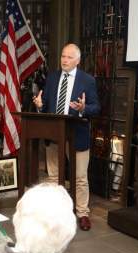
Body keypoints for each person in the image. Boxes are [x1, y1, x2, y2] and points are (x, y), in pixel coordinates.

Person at [32, 43, 100, 231]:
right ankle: (56, 212)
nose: (64, 60)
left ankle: (82, 213)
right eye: (63, 56)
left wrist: (83, 108)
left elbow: (96, 107)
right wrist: (39, 104)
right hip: (54, 135)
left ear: (77, 60)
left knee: (80, 177)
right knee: (53, 176)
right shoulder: (52, 78)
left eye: (69, 57)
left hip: (77, 135)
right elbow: (45, 105)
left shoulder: (87, 80)